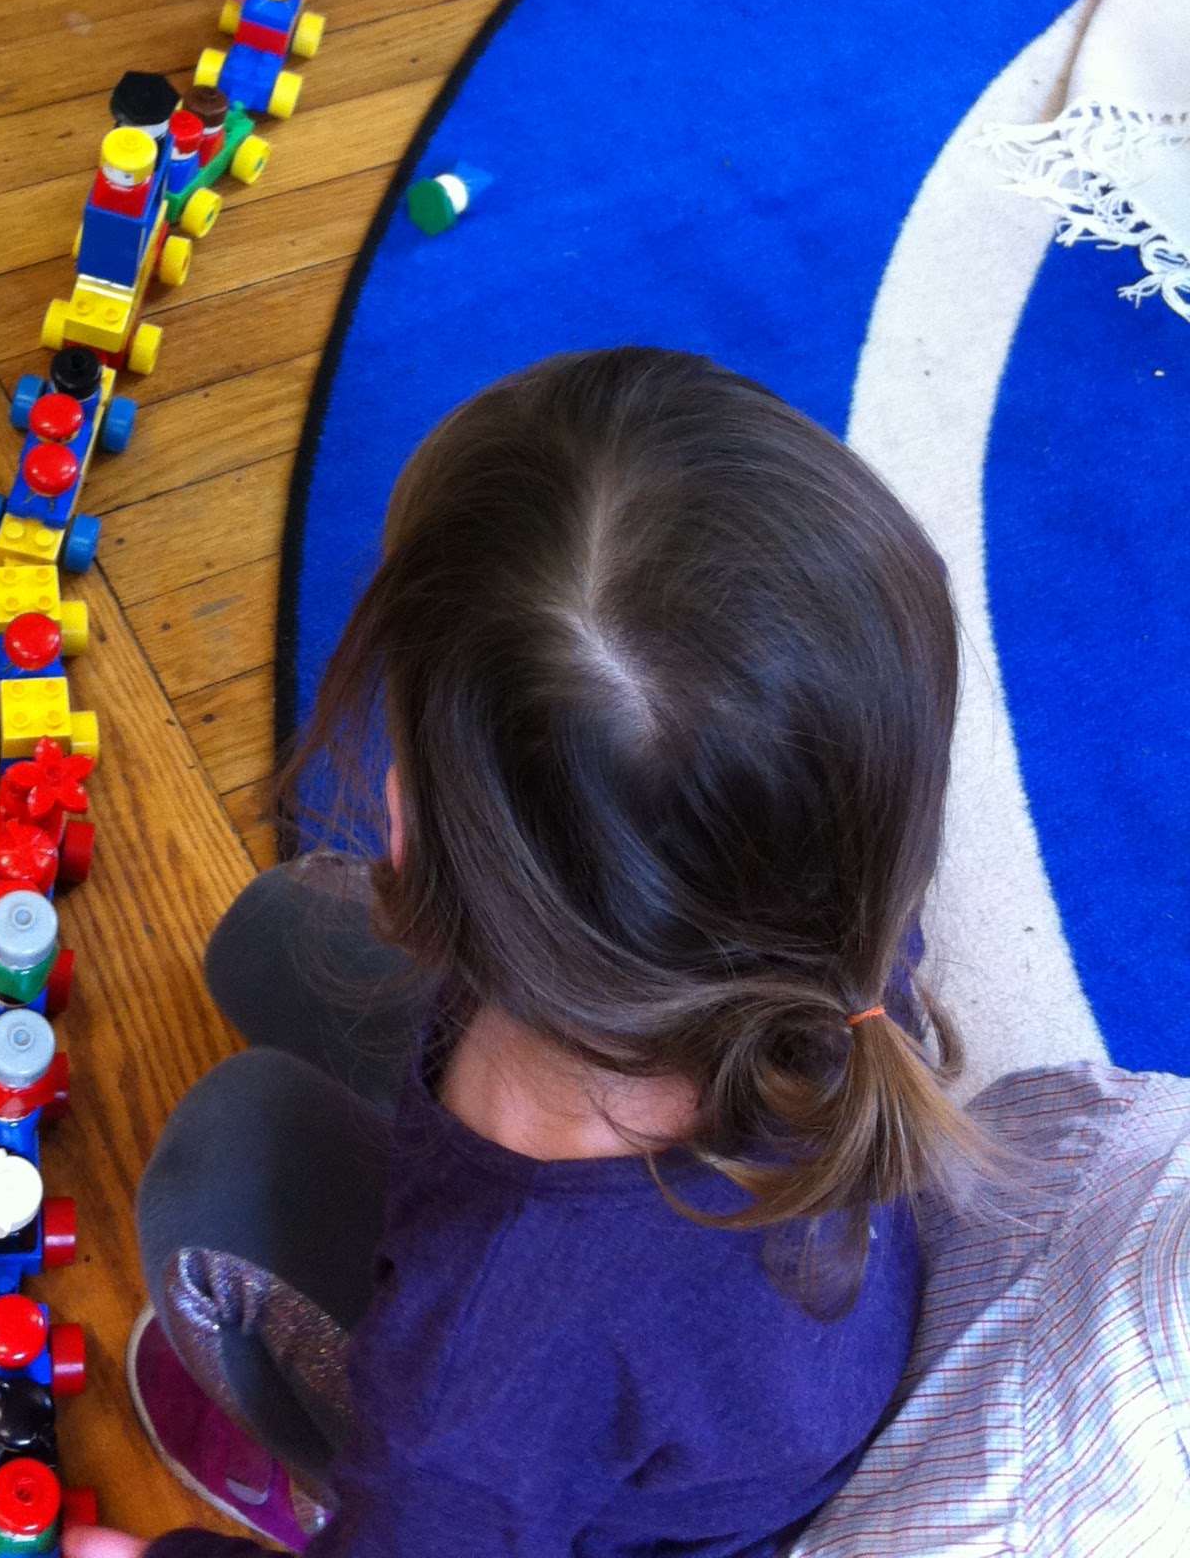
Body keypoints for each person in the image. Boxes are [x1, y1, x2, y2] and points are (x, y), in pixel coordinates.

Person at [65, 348, 996, 1558]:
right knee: (270, 931)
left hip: (547, 1485)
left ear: (417, 835)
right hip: (696, 1284)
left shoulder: (481, 1362)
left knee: (228, 1154)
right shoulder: (828, 886)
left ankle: (302, 1474)